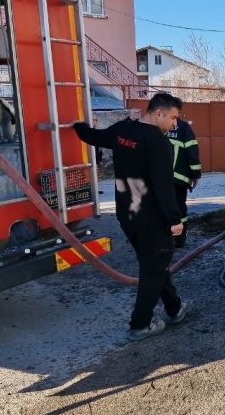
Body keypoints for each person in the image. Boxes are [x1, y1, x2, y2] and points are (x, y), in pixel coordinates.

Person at [72, 93, 189, 340]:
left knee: (154, 263)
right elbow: (163, 187)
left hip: (127, 214)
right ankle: (140, 324)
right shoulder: (158, 143)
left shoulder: (123, 129)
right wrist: (175, 220)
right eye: (173, 118)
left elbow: (95, 137)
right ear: (159, 113)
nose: (175, 124)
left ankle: (174, 307)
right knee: (153, 267)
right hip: (152, 218)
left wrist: (77, 126)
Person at [165, 117, 201, 248]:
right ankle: (179, 240)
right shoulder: (183, 127)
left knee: (161, 208)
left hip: (158, 180)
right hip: (178, 179)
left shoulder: (154, 125)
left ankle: (163, 239)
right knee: (179, 209)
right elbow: (192, 151)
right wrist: (195, 174)